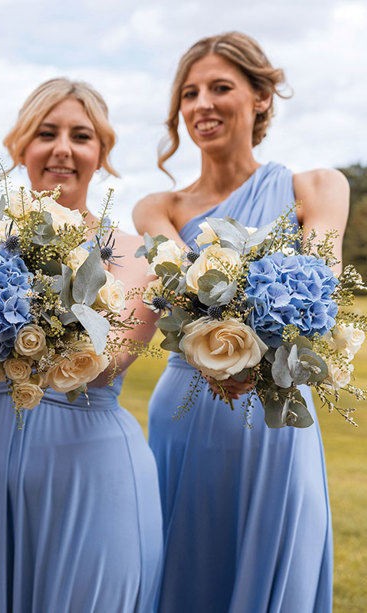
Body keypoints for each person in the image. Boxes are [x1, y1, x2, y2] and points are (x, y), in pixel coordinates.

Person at [132, 31, 347, 613]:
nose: (202, 104)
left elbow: (316, 293)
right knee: (187, 573)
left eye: (220, 88)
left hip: (275, 417)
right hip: (188, 409)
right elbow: (182, 295)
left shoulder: (317, 188)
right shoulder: (159, 209)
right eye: (190, 93)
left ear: (261, 100)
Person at [0, 78, 163, 613]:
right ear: (21, 147)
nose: (63, 148)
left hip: (92, 463)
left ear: (101, 155)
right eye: (47, 132)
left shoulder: (137, 253)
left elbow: (109, 356)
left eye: (81, 136)